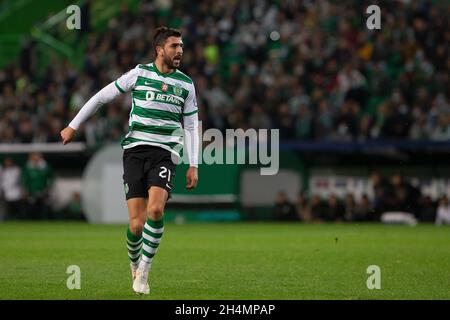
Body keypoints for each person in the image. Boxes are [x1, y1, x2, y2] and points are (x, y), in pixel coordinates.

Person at [60, 27, 199, 295]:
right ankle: (134, 264)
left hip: (165, 153)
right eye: (174, 46)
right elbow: (102, 97)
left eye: (181, 46)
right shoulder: (139, 73)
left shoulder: (186, 84)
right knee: (136, 225)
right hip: (135, 152)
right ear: (160, 50)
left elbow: (191, 125)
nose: (180, 50)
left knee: (156, 211)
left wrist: (194, 164)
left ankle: (144, 272)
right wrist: (73, 125)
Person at [23, 153, 53, 220]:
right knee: (31, 208)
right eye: (34, 158)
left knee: (43, 208)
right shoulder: (28, 167)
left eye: (37, 158)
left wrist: (48, 189)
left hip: (43, 191)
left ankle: (44, 221)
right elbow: (25, 179)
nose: (35, 160)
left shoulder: (45, 167)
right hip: (32, 192)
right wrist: (26, 190)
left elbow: (50, 179)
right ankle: (31, 221)